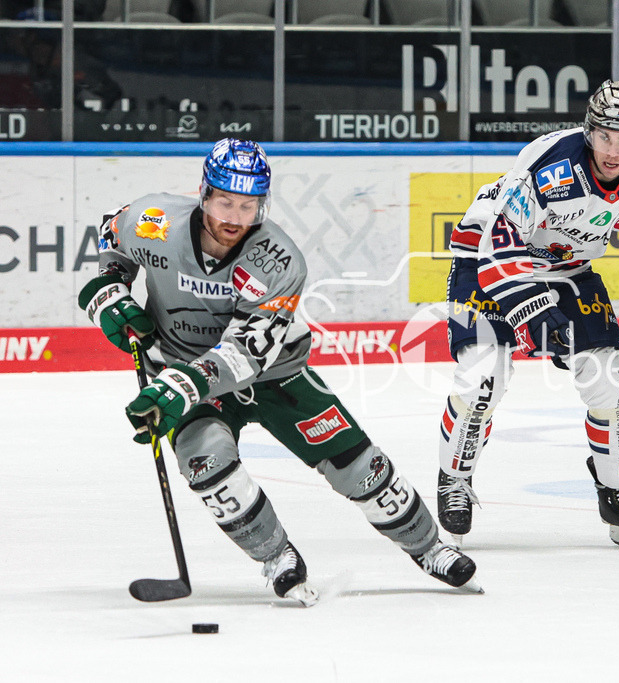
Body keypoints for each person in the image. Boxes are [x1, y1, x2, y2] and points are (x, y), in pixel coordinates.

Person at [78, 138, 480, 605]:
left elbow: (247, 352)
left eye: (248, 206)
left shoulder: (279, 260)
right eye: (225, 201)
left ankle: (430, 547)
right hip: (182, 370)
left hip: (274, 374)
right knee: (208, 467)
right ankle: (276, 557)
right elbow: (111, 234)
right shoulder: (154, 220)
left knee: (357, 467)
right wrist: (110, 288)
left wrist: (183, 385)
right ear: (204, 193)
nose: (234, 217)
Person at [436, 80, 619, 550]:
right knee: (483, 376)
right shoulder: (554, 166)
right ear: (590, 131)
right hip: (487, 260)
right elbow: (500, 240)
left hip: (569, 269)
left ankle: (617, 494)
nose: (614, 150)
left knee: (611, 381)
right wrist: (534, 311)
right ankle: (454, 482)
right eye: (606, 136)